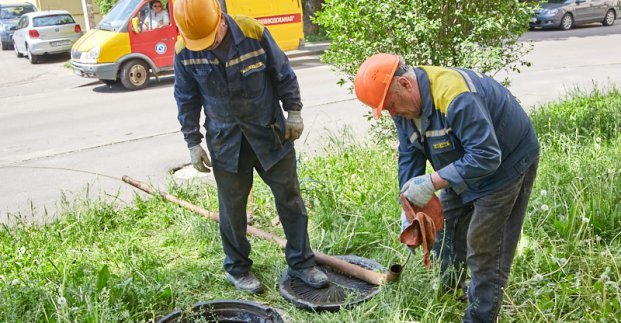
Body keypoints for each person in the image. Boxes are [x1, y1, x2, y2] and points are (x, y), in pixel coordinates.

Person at [354, 53, 540, 322]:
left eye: (391, 105)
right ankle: (451, 293)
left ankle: (480, 317)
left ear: (405, 84)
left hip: (505, 165)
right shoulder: (402, 108)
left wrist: (432, 182)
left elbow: (487, 155)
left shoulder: (455, 96)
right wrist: (407, 205)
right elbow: (410, 154)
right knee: (446, 232)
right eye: (386, 109)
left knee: (484, 246)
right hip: (463, 161)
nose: (392, 113)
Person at [172, 0, 329, 294]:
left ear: (221, 18)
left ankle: (302, 263)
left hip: (269, 134)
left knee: (290, 198)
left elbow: (282, 72)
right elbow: (186, 98)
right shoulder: (185, 50)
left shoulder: (252, 31)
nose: (206, 45)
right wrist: (192, 141)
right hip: (225, 141)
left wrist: (293, 110)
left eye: (211, 37)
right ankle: (238, 268)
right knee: (231, 209)